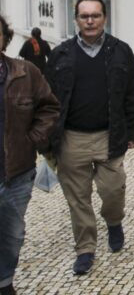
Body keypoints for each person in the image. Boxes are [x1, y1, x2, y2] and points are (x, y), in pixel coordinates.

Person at [45, 0, 134, 275]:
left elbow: (132, 94)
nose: (90, 21)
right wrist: (48, 139)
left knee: (113, 190)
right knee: (78, 198)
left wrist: (133, 129)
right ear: (76, 19)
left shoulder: (121, 51)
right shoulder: (60, 54)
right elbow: (49, 100)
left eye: (95, 15)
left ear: (104, 18)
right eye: (84, 16)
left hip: (110, 135)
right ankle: (85, 248)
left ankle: (113, 221)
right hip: (71, 139)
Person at [0, 15, 60, 295]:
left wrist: (32, 140)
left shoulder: (26, 73)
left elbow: (48, 108)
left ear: (5, 38)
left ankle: (4, 282)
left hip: (16, 174)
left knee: (11, 235)